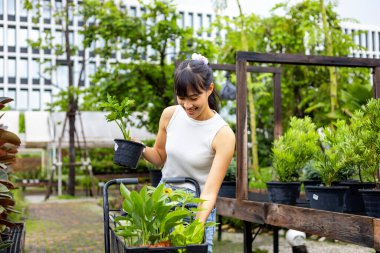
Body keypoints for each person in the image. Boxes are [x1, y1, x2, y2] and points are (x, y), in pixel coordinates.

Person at [142, 53, 235, 253]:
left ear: (209, 89)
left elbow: (210, 191)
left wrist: (196, 226)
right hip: (163, 199)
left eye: (194, 98)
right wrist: (139, 148)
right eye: (182, 98)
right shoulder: (170, 115)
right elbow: (159, 157)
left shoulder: (223, 134)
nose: (187, 105)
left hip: (197, 205)